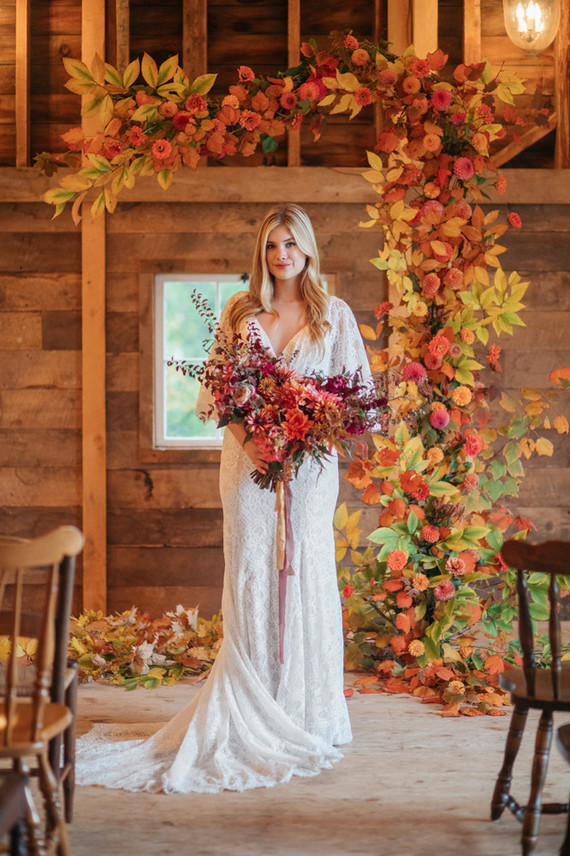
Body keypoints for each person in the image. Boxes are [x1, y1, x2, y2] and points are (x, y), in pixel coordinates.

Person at [76, 204, 372, 793]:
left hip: (311, 470)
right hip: (248, 463)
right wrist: (256, 443)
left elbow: (357, 399)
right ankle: (250, 702)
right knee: (253, 570)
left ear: (308, 248)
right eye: (271, 245)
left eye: (290, 243)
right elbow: (218, 389)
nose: (281, 254)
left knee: (308, 569)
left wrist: (309, 432)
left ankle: (307, 709)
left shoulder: (333, 314)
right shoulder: (241, 312)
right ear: (261, 253)